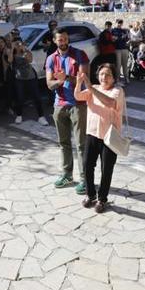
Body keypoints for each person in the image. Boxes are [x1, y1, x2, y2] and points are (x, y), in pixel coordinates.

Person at [74, 63, 125, 213]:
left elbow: (109, 102)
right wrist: (78, 83)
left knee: (106, 169)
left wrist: (89, 87)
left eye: (108, 74)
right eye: (102, 74)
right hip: (92, 134)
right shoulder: (94, 88)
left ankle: (102, 199)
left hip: (109, 137)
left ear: (114, 77)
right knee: (87, 166)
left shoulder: (118, 91)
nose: (104, 77)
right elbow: (78, 96)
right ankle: (90, 195)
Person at [46, 28, 89, 195]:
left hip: (78, 104)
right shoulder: (51, 59)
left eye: (65, 39)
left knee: (81, 144)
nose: (63, 42)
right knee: (63, 143)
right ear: (55, 41)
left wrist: (68, 78)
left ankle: (85, 179)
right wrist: (59, 80)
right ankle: (67, 175)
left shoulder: (80, 55)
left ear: (67, 39)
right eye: (60, 40)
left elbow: (85, 78)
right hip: (59, 105)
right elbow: (49, 84)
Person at [12, 38, 48, 126]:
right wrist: (13, 49)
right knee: (20, 98)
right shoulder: (12, 53)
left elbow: (30, 60)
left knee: (36, 97)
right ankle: (19, 115)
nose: (18, 45)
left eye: (19, 43)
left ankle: (41, 116)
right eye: (16, 43)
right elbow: (9, 60)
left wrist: (24, 50)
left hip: (30, 77)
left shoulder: (26, 51)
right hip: (19, 78)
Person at [111, 19, 130, 85]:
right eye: (118, 22)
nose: (120, 24)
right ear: (116, 23)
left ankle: (126, 78)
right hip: (117, 49)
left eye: (121, 23)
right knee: (118, 65)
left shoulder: (124, 30)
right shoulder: (113, 31)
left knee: (125, 65)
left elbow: (127, 39)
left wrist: (127, 38)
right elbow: (113, 40)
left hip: (124, 49)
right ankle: (117, 79)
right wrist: (121, 38)